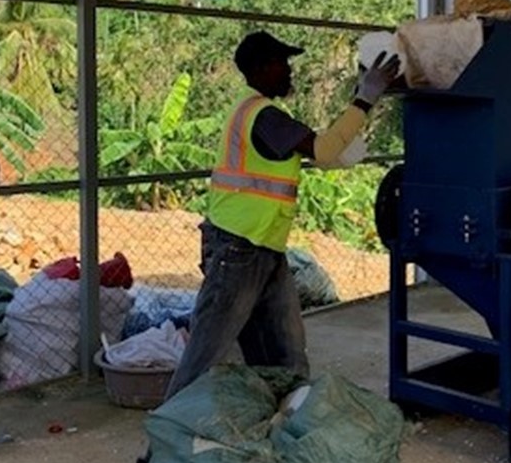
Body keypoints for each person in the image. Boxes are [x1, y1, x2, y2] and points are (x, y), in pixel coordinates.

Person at [162, 29, 399, 401]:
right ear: (260, 69)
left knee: (286, 356)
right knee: (204, 359)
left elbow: (322, 152)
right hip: (239, 251)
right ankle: (162, 450)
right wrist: (364, 98)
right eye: (281, 64)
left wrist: (351, 127)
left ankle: (286, 425)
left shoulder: (261, 116)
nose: (289, 72)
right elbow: (322, 149)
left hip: (263, 249)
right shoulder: (263, 116)